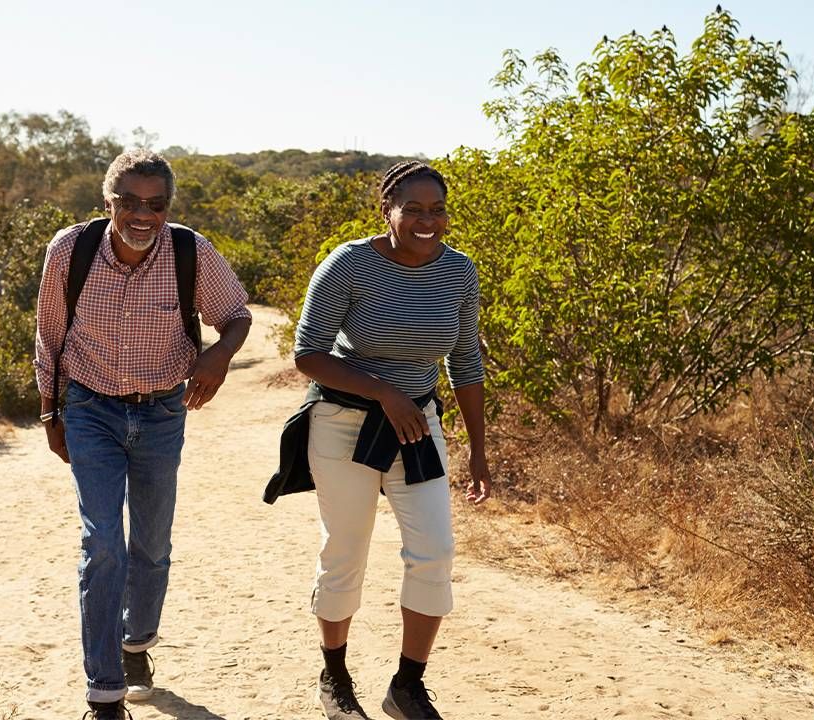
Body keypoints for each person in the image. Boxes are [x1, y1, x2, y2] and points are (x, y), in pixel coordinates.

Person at [33, 150, 252, 720]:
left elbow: (237, 315)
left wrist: (217, 358)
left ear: (167, 207)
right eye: (129, 201)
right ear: (108, 202)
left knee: (150, 549)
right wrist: (49, 414)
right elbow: (49, 337)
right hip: (89, 408)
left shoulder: (190, 251)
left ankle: (136, 645)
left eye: (155, 204)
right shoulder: (71, 250)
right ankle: (104, 694)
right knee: (102, 542)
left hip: (160, 412)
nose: (142, 214)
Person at [284, 161, 491, 719]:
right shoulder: (349, 264)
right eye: (415, 209)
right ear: (388, 211)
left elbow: (466, 359)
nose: (428, 220)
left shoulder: (459, 272)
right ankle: (335, 678)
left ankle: (407, 686)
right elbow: (308, 354)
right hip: (344, 424)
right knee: (345, 554)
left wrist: (477, 447)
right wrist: (383, 392)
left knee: (435, 552)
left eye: (438, 209)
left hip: (419, 429)